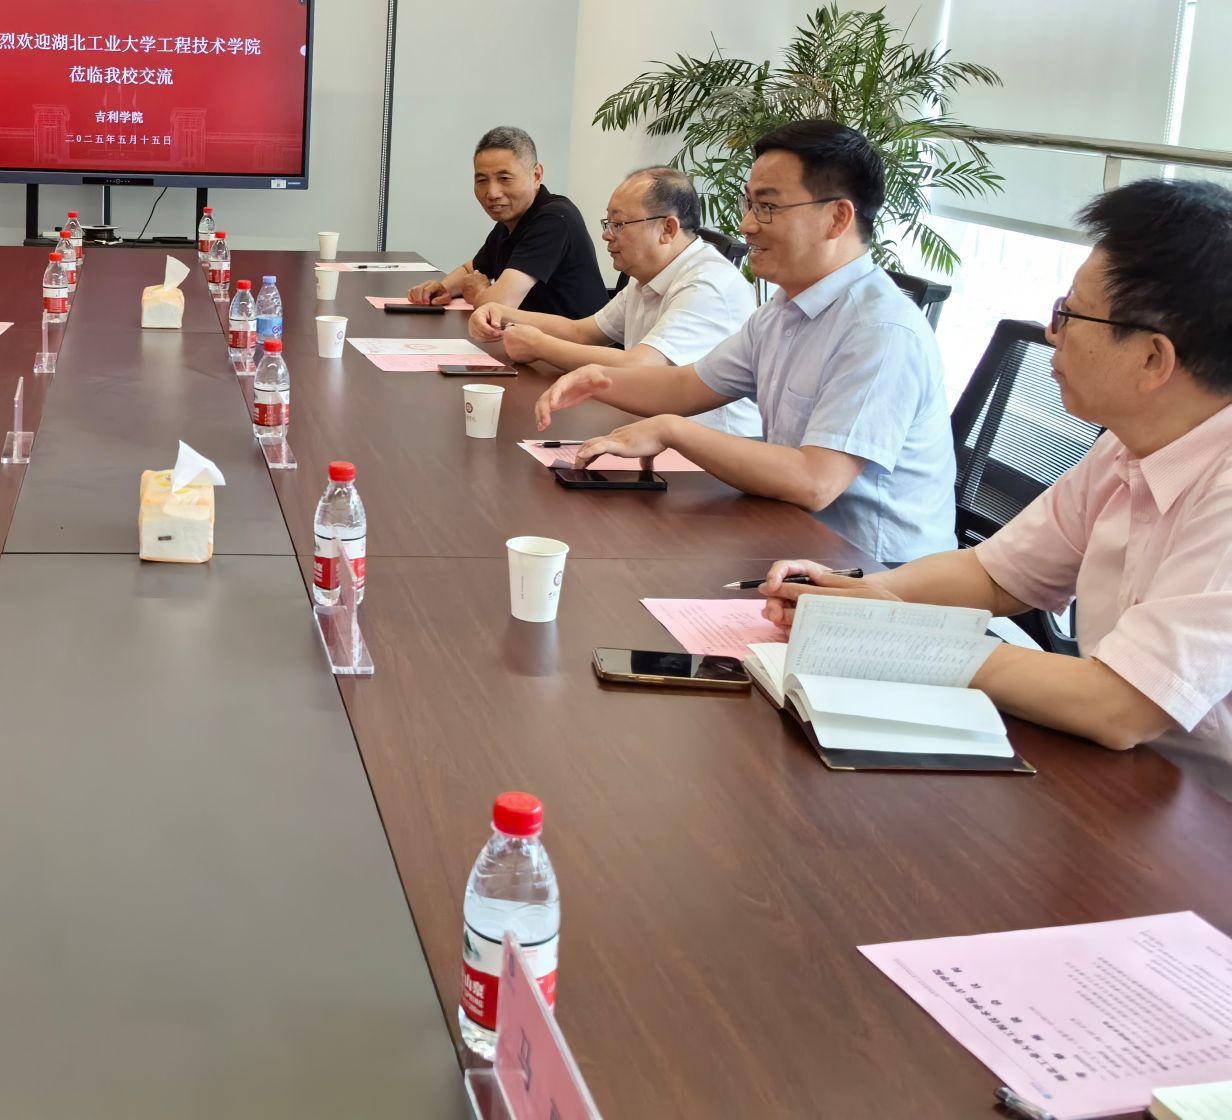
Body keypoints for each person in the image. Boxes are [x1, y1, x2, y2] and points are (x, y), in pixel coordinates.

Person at [756, 178, 1232, 798]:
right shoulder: (1129, 443)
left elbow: (1119, 707)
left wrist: (897, 639)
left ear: (1153, 360)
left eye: (1069, 313)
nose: (1052, 333)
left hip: (1203, 813)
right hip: (1124, 783)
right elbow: (997, 574)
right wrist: (867, 596)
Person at [533, 120, 954, 564]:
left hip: (876, 572)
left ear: (837, 218)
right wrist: (597, 379)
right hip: (789, 537)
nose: (747, 224)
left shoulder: (880, 330)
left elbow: (815, 481)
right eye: (749, 204)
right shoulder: (784, 310)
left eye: (767, 207)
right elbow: (687, 386)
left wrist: (671, 429)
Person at [467, 166, 759, 436]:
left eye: (619, 224)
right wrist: (501, 312)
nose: (607, 235)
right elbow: (582, 332)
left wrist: (539, 346)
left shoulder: (707, 283)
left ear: (668, 229)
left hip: (708, 451)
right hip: (651, 430)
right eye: (608, 223)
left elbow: (640, 367)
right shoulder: (648, 274)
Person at [406, 126, 609, 317]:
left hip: (575, 342)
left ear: (536, 175)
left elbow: (498, 306)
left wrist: (480, 293)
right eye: (482, 180)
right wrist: (443, 288)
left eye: (505, 178)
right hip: (531, 338)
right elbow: (472, 270)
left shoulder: (554, 219)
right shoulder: (511, 221)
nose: (492, 193)